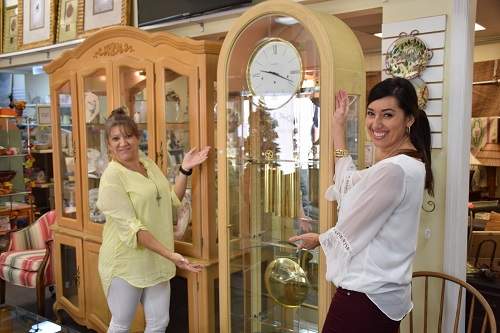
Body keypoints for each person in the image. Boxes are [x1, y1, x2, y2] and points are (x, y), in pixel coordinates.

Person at [289, 77, 434, 333]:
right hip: (383, 297)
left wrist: (320, 238)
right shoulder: (409, 163)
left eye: (387, 115)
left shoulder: (393, 170)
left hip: (364, 298)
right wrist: (338, 126)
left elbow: (348, 231)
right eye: (371, 113)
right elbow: (348, 181)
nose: (376, 124)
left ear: (409, 119)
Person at [97, 107, 210, 332]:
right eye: (116, 138)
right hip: (126, 263)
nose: (123, 143)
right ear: (109, 145)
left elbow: (170, 200)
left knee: (159, 322)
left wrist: (185, 169)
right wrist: (171, 255)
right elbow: (135, 230)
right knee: (121, 324)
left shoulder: (147, 163)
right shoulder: (112, 177)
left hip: (156, 259)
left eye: (128, 136)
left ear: (138, 138)